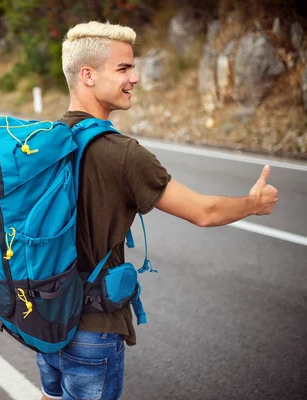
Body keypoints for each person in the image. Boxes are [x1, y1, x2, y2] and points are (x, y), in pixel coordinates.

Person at [36, 21, 279, 400]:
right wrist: (254, 204)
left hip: (45, 322)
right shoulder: (124, 154)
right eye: (123, 68)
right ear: (87, 75)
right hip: (92, 331)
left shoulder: (41, 142)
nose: (135, 77)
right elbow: (204, 212)